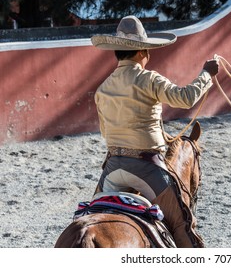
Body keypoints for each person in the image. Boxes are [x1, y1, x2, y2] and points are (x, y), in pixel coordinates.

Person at [90, 15, 218, 248]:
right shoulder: (148, 78)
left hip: (112, 169)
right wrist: (207, 74)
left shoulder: (103, 88)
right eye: (148, 50)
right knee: (182, 227)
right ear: (141, 52)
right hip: (146, 167)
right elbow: (185, 98)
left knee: (88, 216)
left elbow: (105, 132)